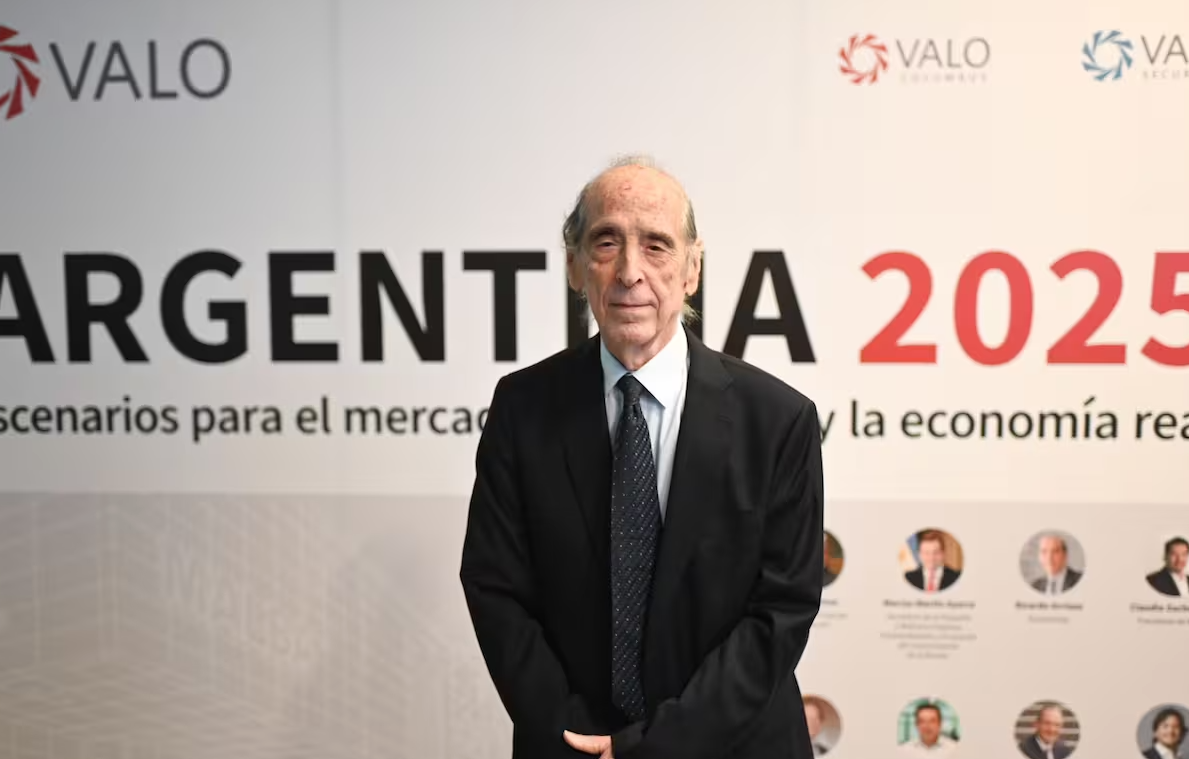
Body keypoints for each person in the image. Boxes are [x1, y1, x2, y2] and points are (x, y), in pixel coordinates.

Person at [459, 156, 824, 759]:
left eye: (656, 245)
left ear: (692, 268)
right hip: (572, 747)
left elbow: (780, 611)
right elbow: (495, 586)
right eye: (607, 242)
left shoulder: (779, 421)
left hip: (730, 747)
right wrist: (570, 732)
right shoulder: (522, 408)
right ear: (575, 266)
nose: (631, 272)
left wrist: (653, 747)